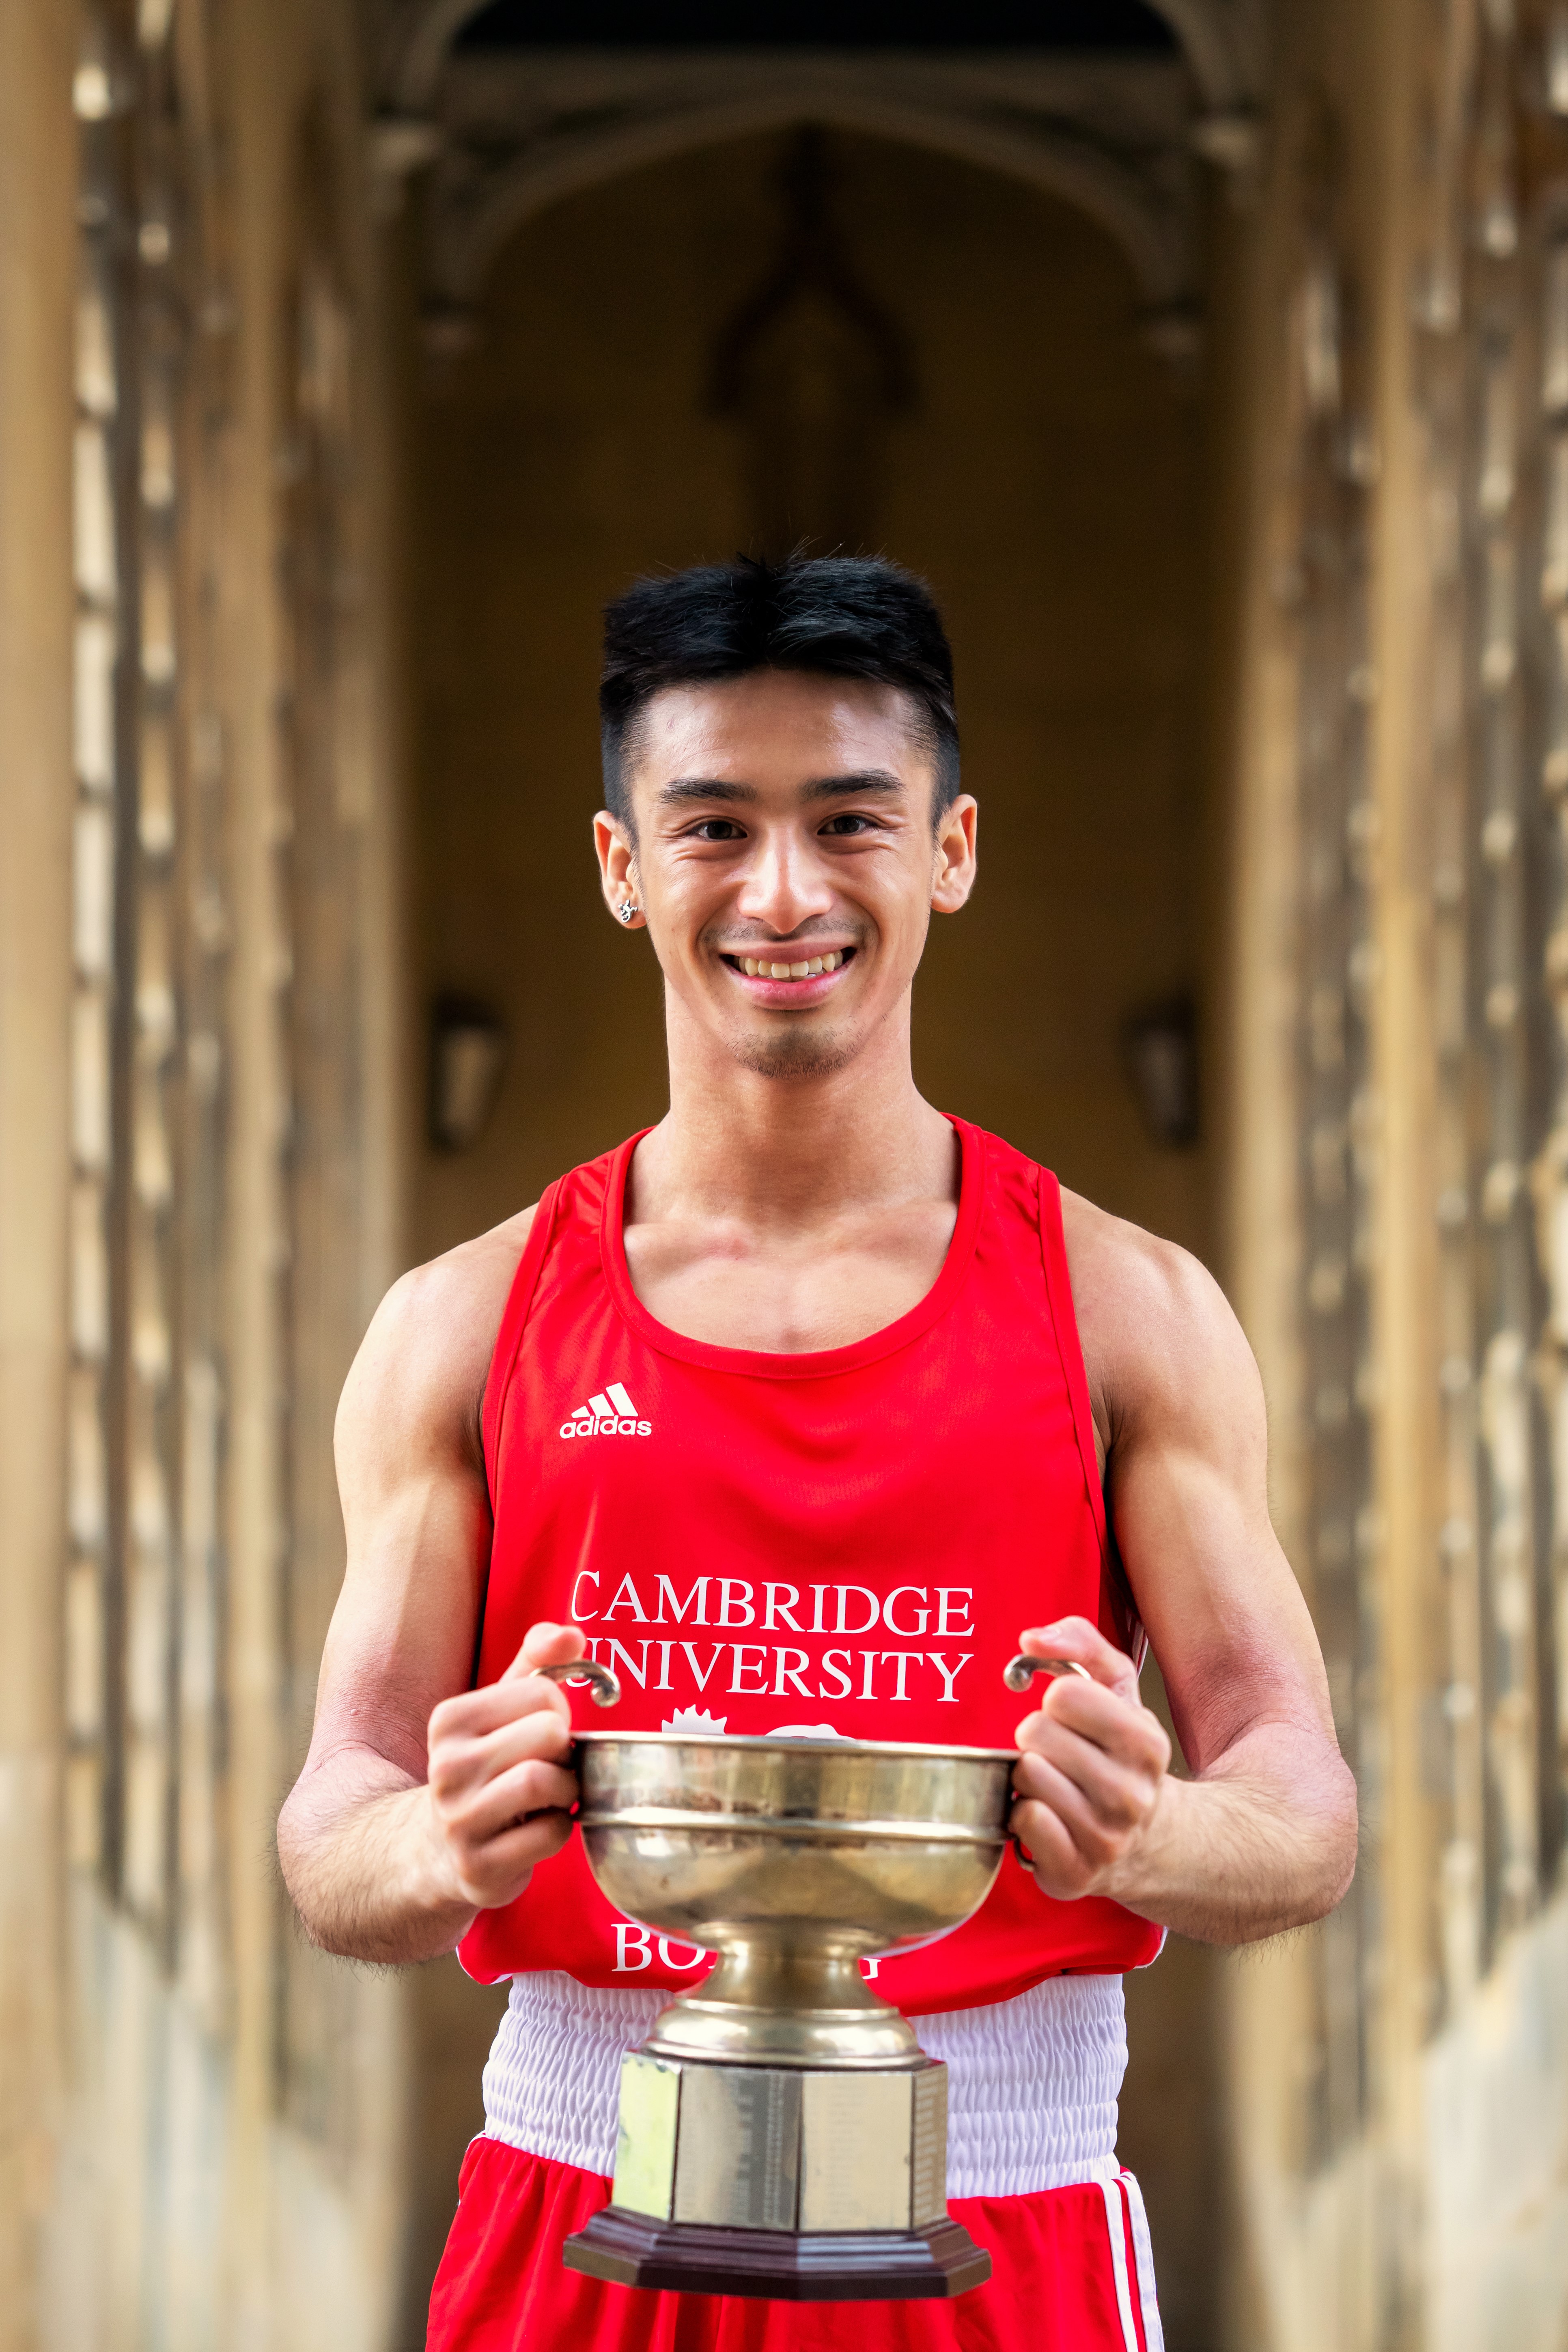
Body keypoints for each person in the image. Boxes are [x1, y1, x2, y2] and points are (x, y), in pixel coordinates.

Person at [278, 554, 1356, 2352]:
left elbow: (1304, 1811)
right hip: (582, 2184)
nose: (783, 892)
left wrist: (1152, 1826)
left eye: (851, 819)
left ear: (952, 850)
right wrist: (441, 1842)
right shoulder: (463, 1328)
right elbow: (333, 1825)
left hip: (999, 2202)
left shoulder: (1129, 1311)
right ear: (625, 868)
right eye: (713, 828)